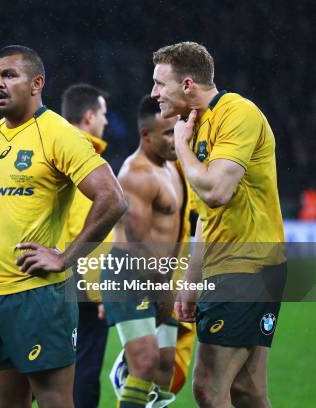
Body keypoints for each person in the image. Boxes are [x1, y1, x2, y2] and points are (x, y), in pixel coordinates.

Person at [0, 45, 127, 408]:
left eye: (8, 75)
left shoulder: (59, 134)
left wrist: (65, 257)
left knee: (54, 401)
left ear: (37, 83)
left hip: (40, 297)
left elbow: (112, 198)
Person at [151, 42, 285, 407]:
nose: (154, 94)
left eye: (160, 84)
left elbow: (216, 192)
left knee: (208, 387)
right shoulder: (195, 126)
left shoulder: (237, 113)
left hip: (247, 268)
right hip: (227, 268)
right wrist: (190, 285)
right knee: (248, 390)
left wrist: (181, 147)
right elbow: (205, 220)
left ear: (188, 85)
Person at [102, 95, 192, 407]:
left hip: (161, 277)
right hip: (130, 273)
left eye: (176, 130)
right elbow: (138, 245)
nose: (174, 139)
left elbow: (177, 229)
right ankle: (127, 370)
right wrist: (165, 290)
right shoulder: (135, 174)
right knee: (144, 363)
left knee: (165, 366)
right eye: (166, 133)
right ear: (145, 135)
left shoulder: (173, 168)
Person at [57, 83, 113, 408]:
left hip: (53, 282)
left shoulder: (53, 147)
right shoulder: (83, 156)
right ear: (89, 116)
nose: (106, 121)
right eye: (103, 114)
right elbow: (85, 225)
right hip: (80, 284)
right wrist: (99, 289)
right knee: (84, 375)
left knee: (47, 374)